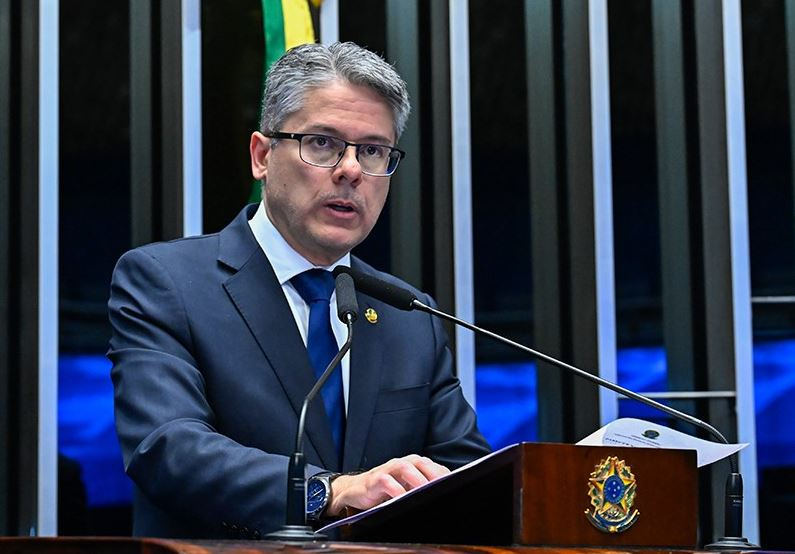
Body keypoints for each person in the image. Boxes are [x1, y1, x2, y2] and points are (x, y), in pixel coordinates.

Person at [108, 41, 490, 539]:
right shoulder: (167, 282)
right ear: (262, 156)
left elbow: (468, 479)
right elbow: (167, 448)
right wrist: (326, 492)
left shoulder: (408, 315)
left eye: (373, 151)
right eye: (323, 143)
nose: (351, 170)